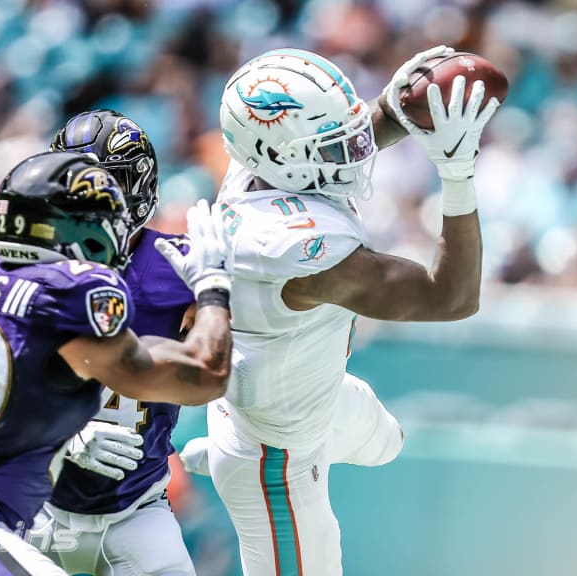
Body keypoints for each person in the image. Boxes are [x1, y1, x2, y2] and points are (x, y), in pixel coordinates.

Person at [181, 46, 498, 575]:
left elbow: (340, 138)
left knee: (387, 444)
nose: (355, 152)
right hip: (273, 458)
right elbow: (453, 298)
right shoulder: (298, 252)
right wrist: (459, 175)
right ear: (284, 157)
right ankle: (222, 447)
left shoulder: (256, 164)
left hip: (316, 397)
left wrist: (396, 106)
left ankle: (220, 441)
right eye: (335, 145)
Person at [0, 151, 233, 575]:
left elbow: (12, 386)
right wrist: (212, 287)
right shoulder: (68, 295)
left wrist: (67, 430)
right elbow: (203, 375)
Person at [31, 109, 201, 575]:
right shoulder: (31, 268)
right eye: (76, 185)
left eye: (105, 185)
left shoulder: (180, 263)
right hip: (35, 504)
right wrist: (64, 432)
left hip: (137, 510)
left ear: (138, 189)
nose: (91, 204)